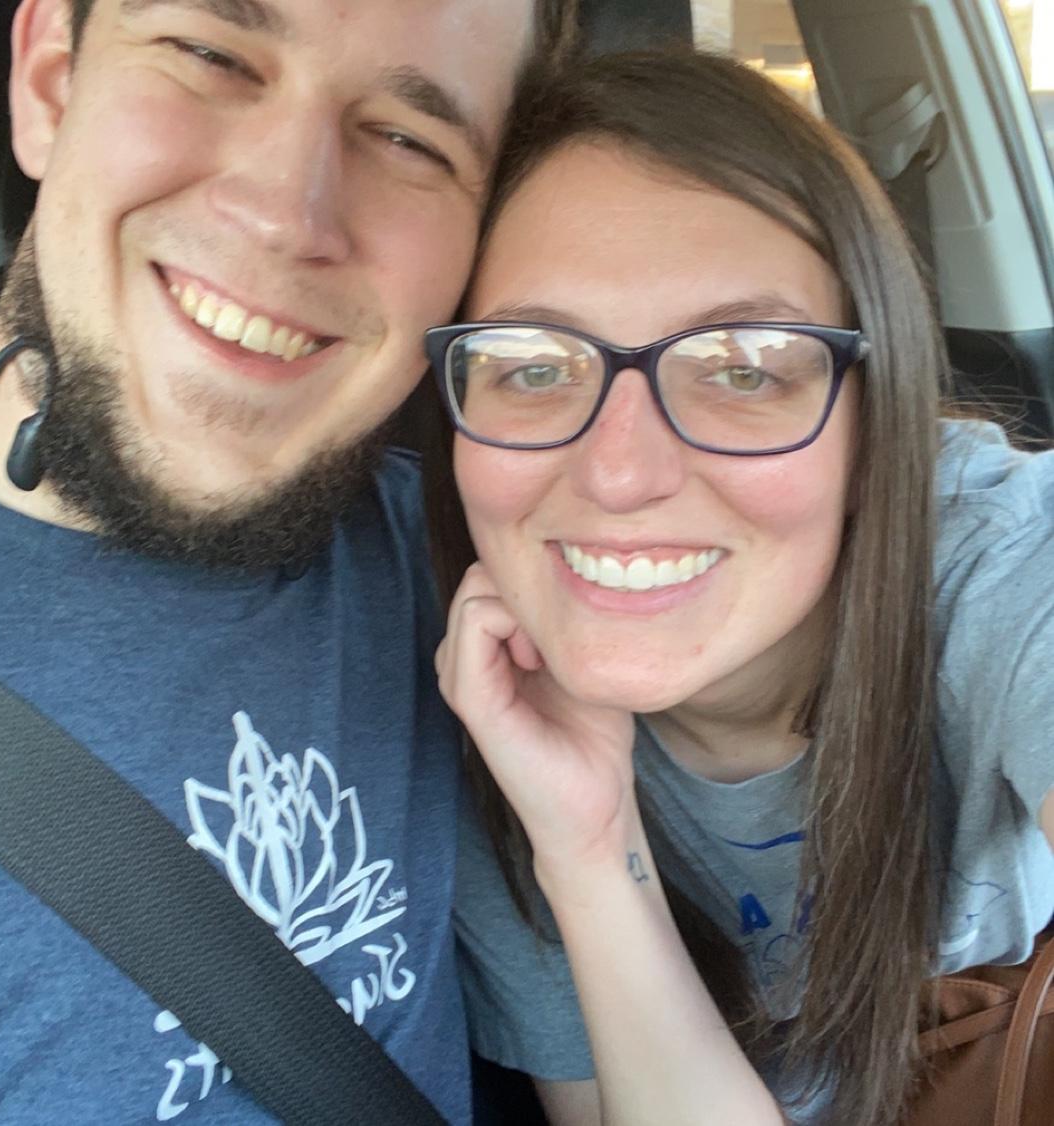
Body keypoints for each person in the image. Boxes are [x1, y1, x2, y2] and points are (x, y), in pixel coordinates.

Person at [0, 0, 578, 1121]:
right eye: (210, 55)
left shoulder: (478, 563)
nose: (287, 214)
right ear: (49, 84)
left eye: (409, 140)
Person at [426, 48, 1054, 1126]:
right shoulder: (472, 712)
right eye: (533, 365)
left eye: (744, 367)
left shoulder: (999, 560)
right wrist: (588, 849)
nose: (620, 474)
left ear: (876, 420)